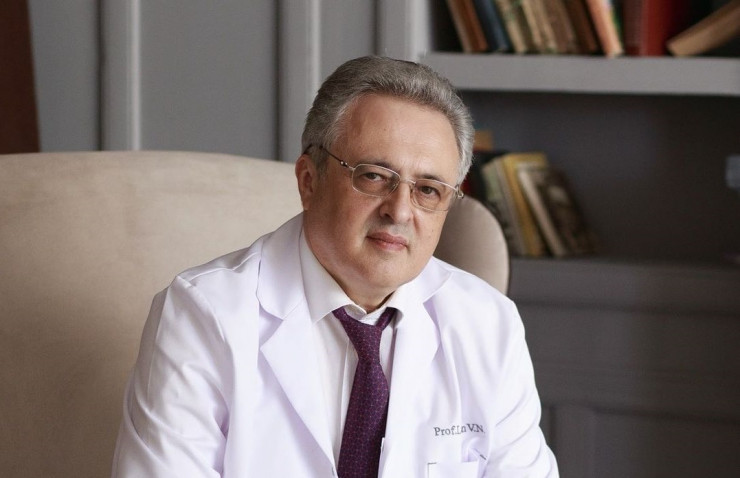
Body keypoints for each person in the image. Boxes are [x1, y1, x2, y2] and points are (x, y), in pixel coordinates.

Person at [112, 55, 558, 477]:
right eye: (374, 176)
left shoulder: (488, 323)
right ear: (309, 181)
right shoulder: (203, 315)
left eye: (428, 189)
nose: (400, 211)